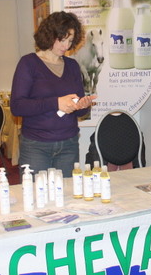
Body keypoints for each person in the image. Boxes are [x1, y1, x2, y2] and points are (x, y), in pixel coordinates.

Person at [10, 11, 96, 176]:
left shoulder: (72, 66)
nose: (66, 46)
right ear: (49, 35)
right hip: (36, 146)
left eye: (70, 41)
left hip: (69, 144)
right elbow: (17, 106)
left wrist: (83, 106)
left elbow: (79, 111)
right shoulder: (28, 63)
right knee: (36, 191)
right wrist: (56, 103)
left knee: (68, 191)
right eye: (62, 40)